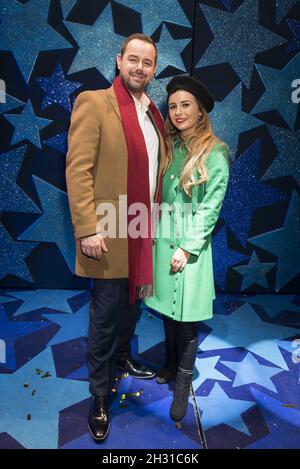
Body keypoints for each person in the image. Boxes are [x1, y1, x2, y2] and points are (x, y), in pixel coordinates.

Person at [66, 33, 166, 441]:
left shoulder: (152, 112)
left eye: (148, 62)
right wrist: (87, 227)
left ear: (154, 69)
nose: (140, 68)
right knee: (105, 317)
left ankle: (122, 359)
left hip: (141, 227)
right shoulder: (95, 102)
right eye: (134, 59)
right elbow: (78, 169)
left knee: (132, 307)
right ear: (119, 60)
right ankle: (99, 395)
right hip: (107, 230)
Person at [145, 75, 229, 421]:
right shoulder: (171, 146)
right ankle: (168, 362)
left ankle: (183, 384)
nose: (178, 112)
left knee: (187, 322)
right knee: (167, 310)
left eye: (186, 106)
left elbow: (211, 206)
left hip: (189, 248)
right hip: (163, 241)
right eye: (174, 106)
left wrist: (188, 248)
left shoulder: (216, 152)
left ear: (200, 113)